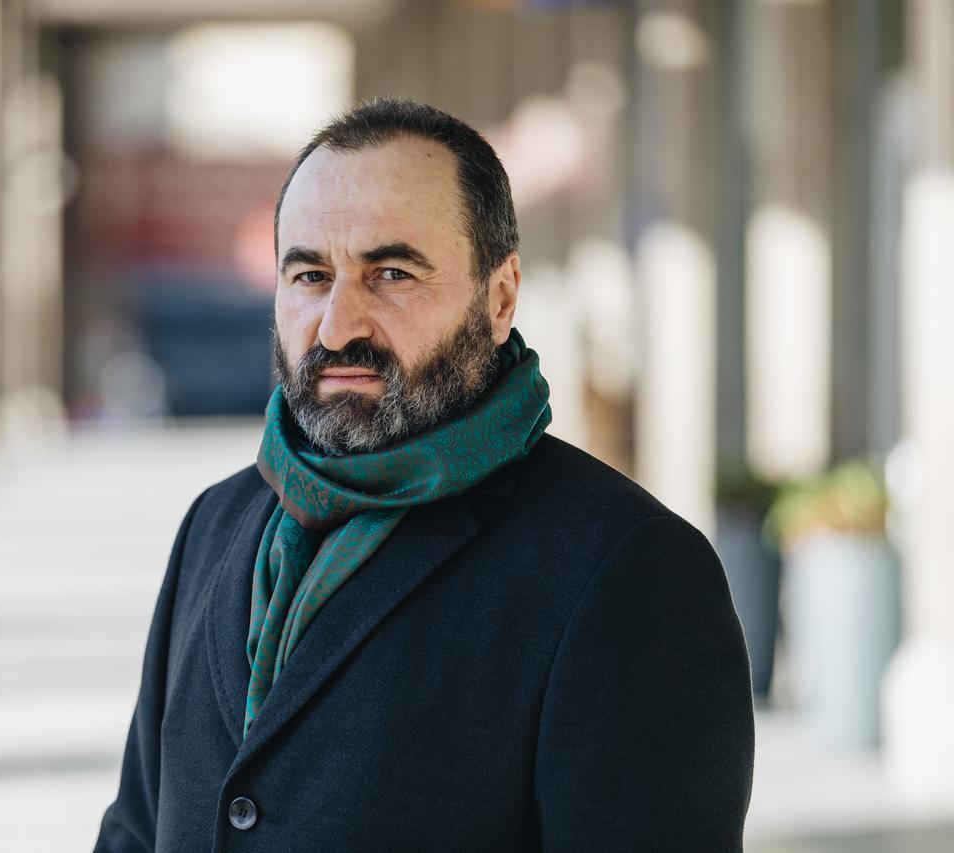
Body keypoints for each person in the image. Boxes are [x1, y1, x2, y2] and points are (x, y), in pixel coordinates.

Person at [92, 97, 754, 853]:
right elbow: (135, 830)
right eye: (310, 275)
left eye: (392, 273)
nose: (337, 325)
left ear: (500, 298)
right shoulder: (215, 526)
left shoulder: (628, 569)